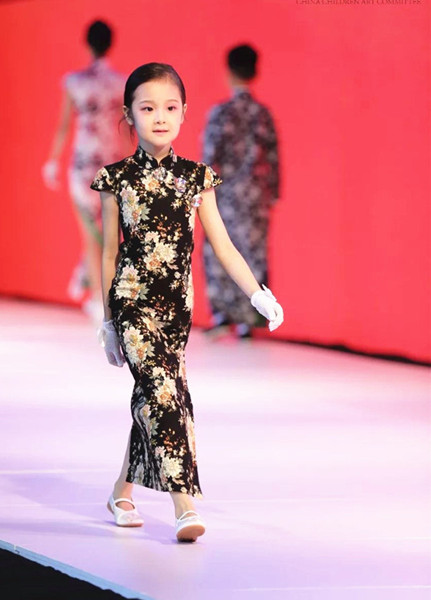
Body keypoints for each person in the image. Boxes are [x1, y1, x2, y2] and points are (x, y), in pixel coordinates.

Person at [91, 63, 284, 543]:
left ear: (184, 113)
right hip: (132, 305)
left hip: (177, 311)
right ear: (129, 115)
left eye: (170, 107)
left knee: (156, 398)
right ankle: (184, 506)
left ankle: (120, 492)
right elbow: (109, 252)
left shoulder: (197, 178)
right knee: (162, 394)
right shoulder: (116, 179)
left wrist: (257, 293)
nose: (160, 117)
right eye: (147, 108)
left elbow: (223, 245)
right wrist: (109, 321)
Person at [42, 20, 127, 322]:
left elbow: (64, 126)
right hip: (111, 165)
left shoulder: (74, 82)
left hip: (82, 166)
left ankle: (94, 291)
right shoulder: (121, 83)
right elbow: (127, 129)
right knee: (105, 234)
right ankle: (96, 291)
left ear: (87, 44)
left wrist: (53, 161)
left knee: (92, 233)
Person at [202, 44, 280, 339]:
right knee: (253, 253)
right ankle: (251, 319)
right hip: (256, 198)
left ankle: (223, 314)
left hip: (224, 196)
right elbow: (272, 158)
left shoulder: (221, 113)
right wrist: (273, 193)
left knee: (220, 251)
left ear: (229, 72)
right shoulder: (263, 114)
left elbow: (209, 156)